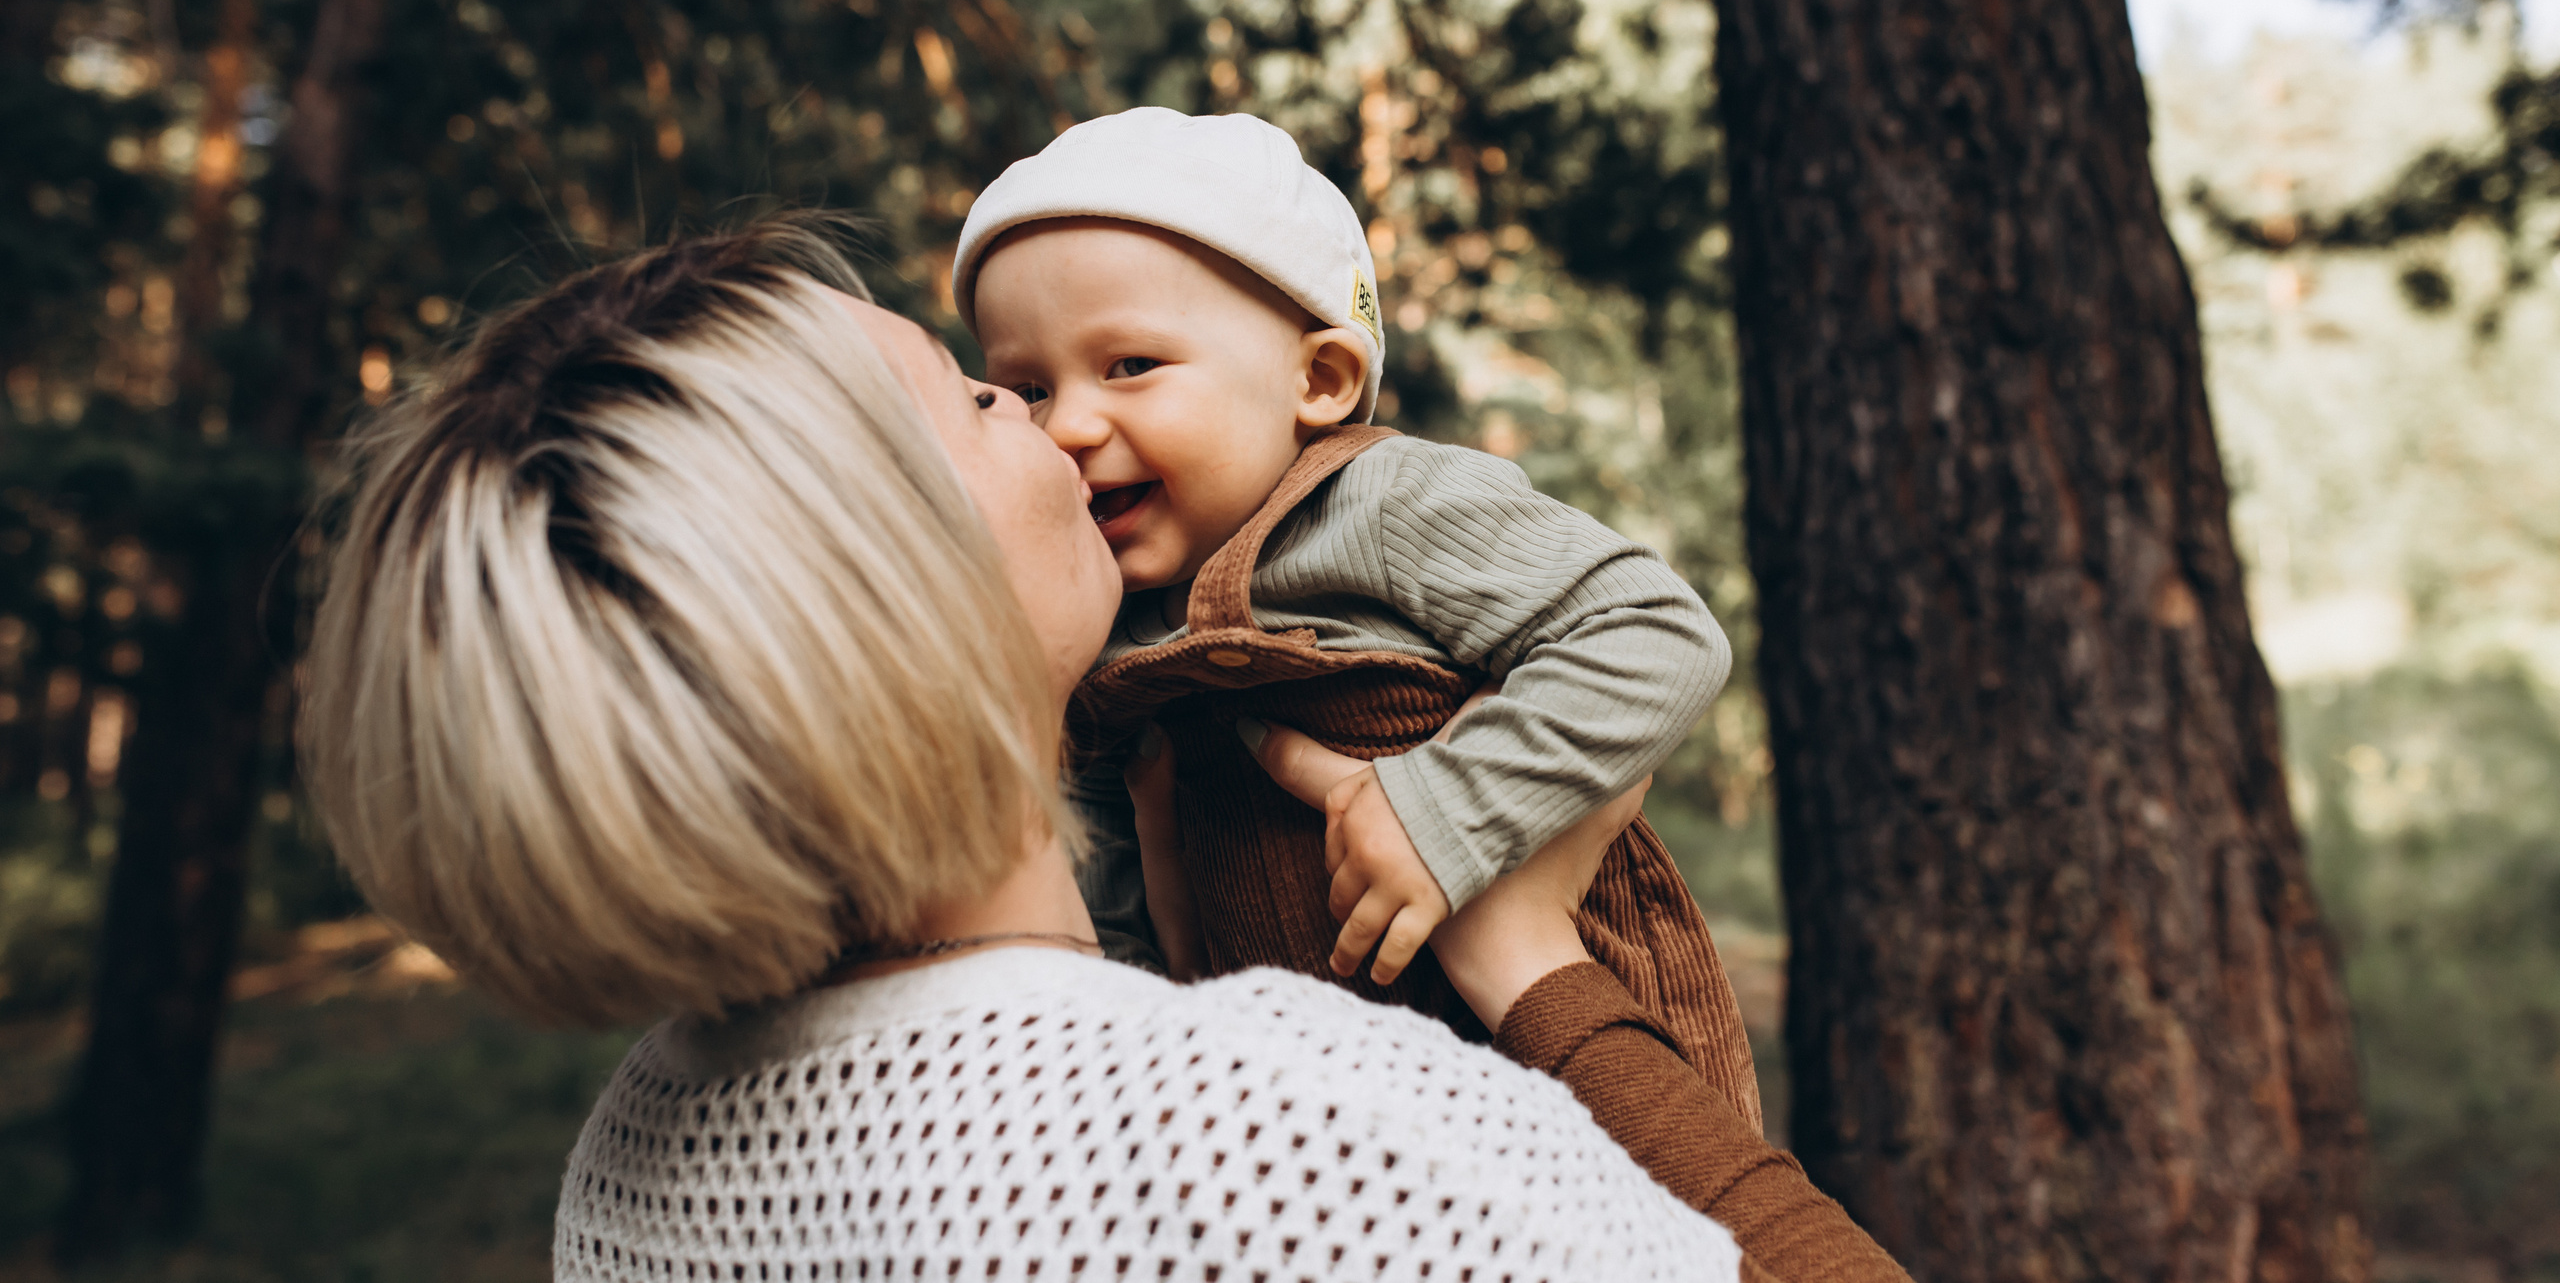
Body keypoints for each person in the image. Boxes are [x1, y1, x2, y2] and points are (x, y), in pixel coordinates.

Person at [296, 219, 1905, 1282]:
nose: (1037, 410)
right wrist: (1538, 969)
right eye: (971, 398)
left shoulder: (632, 1155)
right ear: (887, 587)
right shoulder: (1271, 1126)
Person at [953, 108, 1755, 1114]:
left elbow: (1654, 632)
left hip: (1560, 1058)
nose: (1067, 423)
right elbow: (1104, 868)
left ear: (1318, 380)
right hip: (1319, 1105)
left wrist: (1447, 808)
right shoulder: (1099, 615)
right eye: (1025, 386)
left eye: (1131, 365)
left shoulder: (1383, 504)